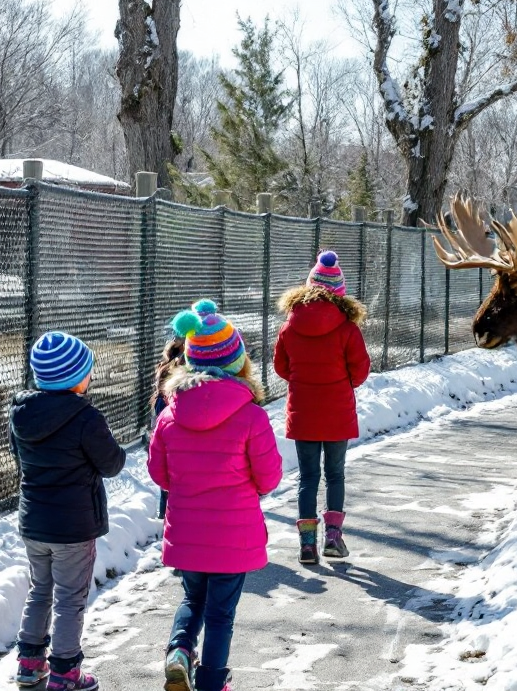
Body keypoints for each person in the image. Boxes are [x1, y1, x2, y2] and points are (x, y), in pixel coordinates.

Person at [149, 300, 283, 691]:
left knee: (192, 600)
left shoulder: (169, 415)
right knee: (221, 613)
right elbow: (270, 476)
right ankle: (211, 683)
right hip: (233, 534)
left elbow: (160, 473)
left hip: (188, 529)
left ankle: (178, 651)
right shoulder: (251, 415)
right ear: (237, 361)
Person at [11, 331, 127, 691]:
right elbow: (111, 464)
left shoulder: (21, 413)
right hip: (73, 527)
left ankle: (29, 664)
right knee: (69, 599)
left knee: (40, 590)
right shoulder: (86, 418)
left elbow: (19, 459)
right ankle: (65, 671)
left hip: (33, 521)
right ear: (77, 376)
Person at [274, 250, 371, 565]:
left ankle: (306, 545)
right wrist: (342, 383)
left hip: (303, 411)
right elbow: (360, 370)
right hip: (337, 412)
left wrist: (302, 381)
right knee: (335, 474)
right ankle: (332, 538)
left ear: (308, 286)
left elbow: (281, 366)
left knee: (308, 477)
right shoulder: (347, 329)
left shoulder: (290, 327)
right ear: (340, 292)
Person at [152, 335, 187, 519]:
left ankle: (162, 514)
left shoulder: (162, 369)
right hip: (176, 426)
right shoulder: (181, 371)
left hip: (163, 425)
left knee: (166, 472)